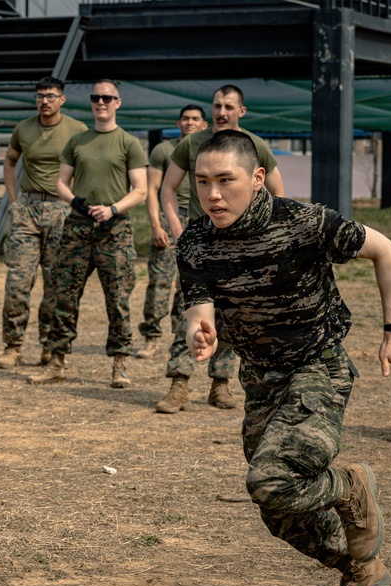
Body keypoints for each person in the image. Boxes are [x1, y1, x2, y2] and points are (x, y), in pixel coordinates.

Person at [177, 130, 391, 586]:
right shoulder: (196, 242)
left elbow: (385, 250)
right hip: (261, 380)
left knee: (271, 480)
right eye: (203, 182)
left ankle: (350, 485)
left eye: (225, 180)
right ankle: (362, 569)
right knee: (279, 510)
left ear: (257, 178)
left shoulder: (304, 222)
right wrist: (198, 331)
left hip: (318, 368)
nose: (213, 194)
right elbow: (199, 308)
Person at [155, 84, 286, 413]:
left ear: (241, 111)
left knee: (233, 316)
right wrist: (177, 229)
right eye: (216, 105)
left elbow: (278, 194)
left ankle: (221, 384)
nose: (221, 112)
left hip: (243, 248)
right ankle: (179, 383)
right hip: (201, 247)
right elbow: (168, 189)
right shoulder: (192, 143)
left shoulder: (253, 145)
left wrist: (266, 237)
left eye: (228, 106)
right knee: (187, 314)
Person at [28, 79, 147, 387]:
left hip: (114, 230)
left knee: (118, 299)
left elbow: (141, 190)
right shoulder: (77, 141)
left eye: (107, 98)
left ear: (118, 103)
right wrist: (75, 202)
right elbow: (61, 182)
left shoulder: (128, 143)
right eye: (96, 97)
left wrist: (113, 209)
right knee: (64, 295)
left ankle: (120, 365)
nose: (101, 102)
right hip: (78, 227)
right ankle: (56, 362)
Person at [0, 76, 87, 370]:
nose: (44, 101)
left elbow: (87, 167)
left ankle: (49, 344)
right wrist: (14, 201)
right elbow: (10, 161)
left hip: (61, 210)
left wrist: (77, 202)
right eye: (39, 96)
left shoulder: (77, 130)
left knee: (55, 284)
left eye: (50, 96)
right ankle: (12, 345)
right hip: (28, 209)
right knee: (18, 283)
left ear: (62, 99)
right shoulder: (23, 129)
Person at [135, 104, 208, 361]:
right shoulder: (164, 150)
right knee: (160, 281)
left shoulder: (208, 151)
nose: (189, 123)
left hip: (198, 220)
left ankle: (182, 336)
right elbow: (153, 189)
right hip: (170, 217)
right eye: (185, 119)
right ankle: (151, 337)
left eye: (195, 119)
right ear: (178, 123)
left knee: (187, 285)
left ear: (204, 125)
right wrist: (156, 225)